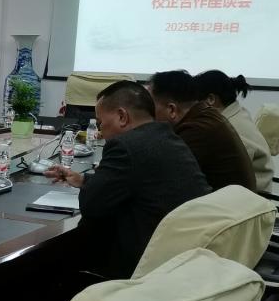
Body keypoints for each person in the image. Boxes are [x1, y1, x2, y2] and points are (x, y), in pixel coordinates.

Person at [46, 80, 210, 279]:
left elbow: (92, 205)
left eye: (100, 122)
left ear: (122, 117)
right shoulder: (168, 136)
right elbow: (136, 182)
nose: (100, 131)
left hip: (144, 267)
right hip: (185, 258)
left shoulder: (124, 146)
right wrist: (84, 181)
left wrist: (91, 188)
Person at [147, 70, 256, 192]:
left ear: (171, 110)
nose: (146, 112)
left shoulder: (197, 129)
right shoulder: (204, 115)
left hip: (230, 203)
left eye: (149, 106)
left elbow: (157, 173)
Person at [196, 70, 274, 192]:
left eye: (196, 102)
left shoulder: (229, 129)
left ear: (211, 99)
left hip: (250, 197)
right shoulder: (238, 113)